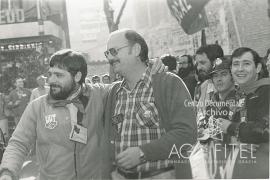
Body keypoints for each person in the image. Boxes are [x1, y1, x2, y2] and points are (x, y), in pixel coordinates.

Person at [0, 49, 166, 180]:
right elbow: (19, 143)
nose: (51, 80)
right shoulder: (37, 107)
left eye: (58, 75)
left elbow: (130, 83)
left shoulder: (102, 95)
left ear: (78, 76)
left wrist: (147, 66)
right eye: (50, 73)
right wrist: (7, 172)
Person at [104, 29, 197, 179]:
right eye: (107, 53)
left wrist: (143, 152)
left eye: (114, 51)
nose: (110, 58)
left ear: (136, 49)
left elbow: (187, 134)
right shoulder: (113, 91)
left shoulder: (169, 82)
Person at [221, 47, 269, 178]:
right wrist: (232, 139)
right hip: (241, 169)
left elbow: (264, 130)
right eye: (236, 64)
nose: (240, 69)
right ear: (231, 69)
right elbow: (214, 126)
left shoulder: (266, 91)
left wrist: (231, 128)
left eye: (246, 64)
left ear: (258, 68)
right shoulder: (234, 95)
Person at [194, 44, 224, 121]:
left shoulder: (230, 87)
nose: (198, 67)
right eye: (197, 64)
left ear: (215, 62)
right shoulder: (202, 86)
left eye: (202, 63)